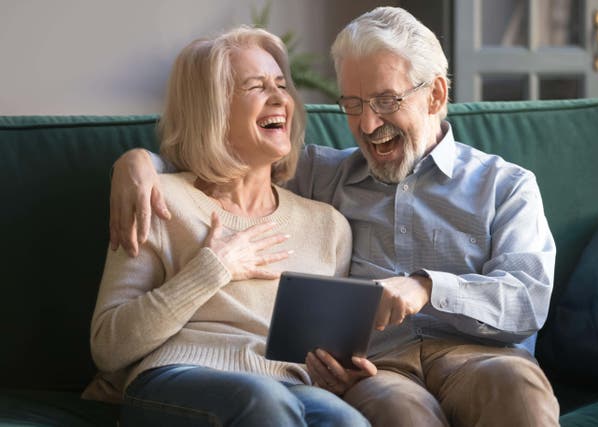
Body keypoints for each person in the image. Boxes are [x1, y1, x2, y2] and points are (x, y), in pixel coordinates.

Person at [109, 7, 560, 427]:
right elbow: (223, 154)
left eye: (385, 101)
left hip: (479, 357)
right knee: (397, 412)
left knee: (516, 387)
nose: (366, 125)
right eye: (353, 104)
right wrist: (137, 163)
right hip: (379, 370)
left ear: (436, 94)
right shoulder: (322, 177)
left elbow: (527, 301)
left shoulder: (505, 185)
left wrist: (426, 287)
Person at [85, 26, 372, 427]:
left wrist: (336, 375)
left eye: (281, 84)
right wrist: (214, 268)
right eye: (256, 87)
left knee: (349, 422)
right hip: (176, 377)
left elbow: (319, 356)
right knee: (264, 400)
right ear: (212, 109)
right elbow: (109, 347)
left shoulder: (328, 226)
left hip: (287, 389)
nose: (280, 99)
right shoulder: (158, 199)